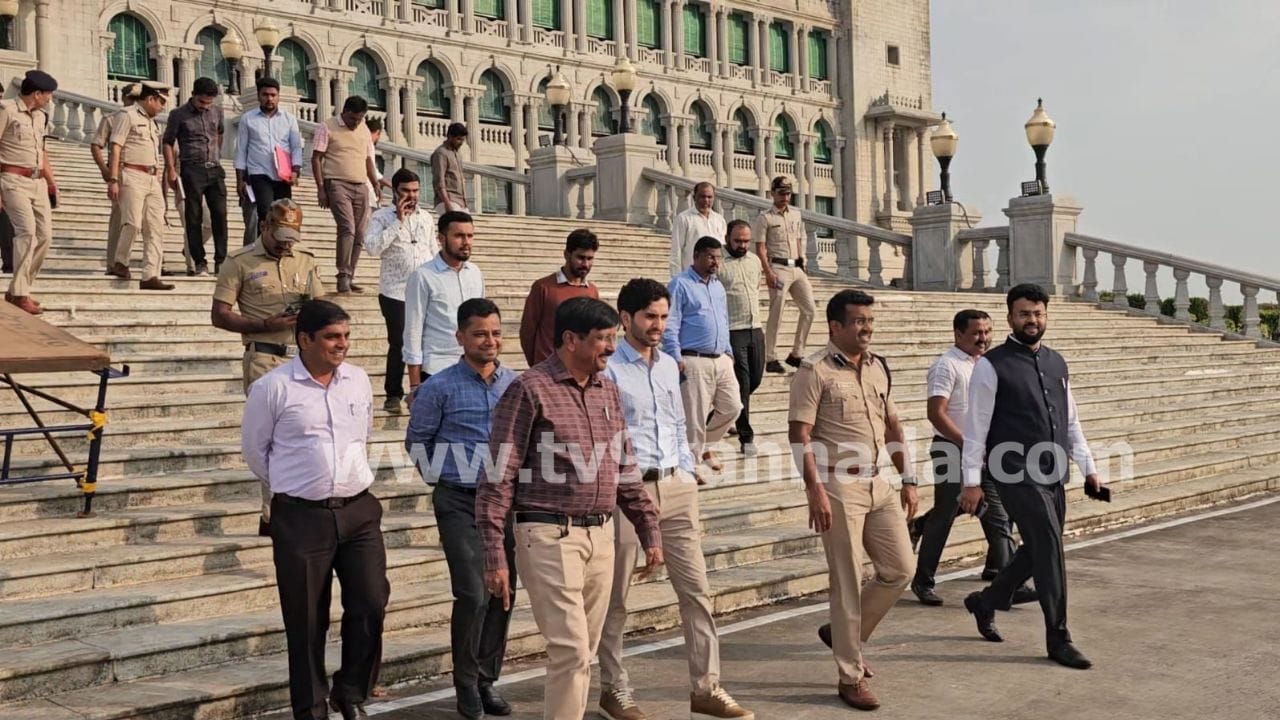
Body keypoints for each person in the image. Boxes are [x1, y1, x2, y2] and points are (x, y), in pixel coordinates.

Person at [477, 297, 663, 720]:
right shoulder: (529, 390)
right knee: (572, 649)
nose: (611, 348)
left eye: (613, 337)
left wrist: (648, 527)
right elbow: (497, 476)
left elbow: (625, 464)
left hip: (600, 536)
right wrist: (493, 553)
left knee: (584, 653)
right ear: (569, 340)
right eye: (602, 339)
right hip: (547, 534)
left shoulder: (607, 389)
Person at [598, 278, 753, 720]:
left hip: (678, 487)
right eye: (650, 316)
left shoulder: (669, 364)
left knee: (697, 592)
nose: (658, 325)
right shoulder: (608, 369)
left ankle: (706, 688)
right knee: (616, 598)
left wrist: (687, 466)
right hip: (629, 493)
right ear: (625, 318)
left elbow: (675, 421)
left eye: (664, 317)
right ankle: (614, 689)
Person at [241, 299, 388, 720]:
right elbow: (255, 451)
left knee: (372, 601)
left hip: (359, 511)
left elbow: (366, 432)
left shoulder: (358, 380)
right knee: (306, 617)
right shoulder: (273, 388)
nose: (341, 345)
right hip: (301, 516)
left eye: (345, 336)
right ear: (304, 339)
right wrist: (298, 483)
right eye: (331, 337)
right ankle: (309, 706)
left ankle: (351, 691)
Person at [959, 283, 1106, 670]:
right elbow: (975, 428)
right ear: (1010, 317)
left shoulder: (1057, 362)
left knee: (1039, 547)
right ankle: (1059, 637)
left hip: (1053, 469)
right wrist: (971, 481)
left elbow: (1071, 421)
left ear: (1046, 316)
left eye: (1038, 313)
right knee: (1051, 548)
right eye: (1024, 313)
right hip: (1013, 472)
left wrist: (1089, 467)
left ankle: (986, 601)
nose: (1032, 320)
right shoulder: (992, 366)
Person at [788, 289, 918, 712]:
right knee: (845, 580)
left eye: (869, 321)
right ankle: (850, 675)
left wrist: (909, 479)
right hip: (839, 487)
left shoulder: (879, 367)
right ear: (835, 326)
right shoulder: (815, 371)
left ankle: (843, 634)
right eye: (859, 321)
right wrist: (815, 491)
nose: (866, 329)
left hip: (880, 483)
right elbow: (799, 437)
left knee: (900, 569)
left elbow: (894, 425)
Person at [405, 298, 517, 719]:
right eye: (479, 334)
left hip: (505, 503)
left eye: (495, 333)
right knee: (472, 592)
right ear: (460, 337)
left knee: (503, 592)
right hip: (458, 499)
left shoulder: (515, 384)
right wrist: (442, 478)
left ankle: (488, 679)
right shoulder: (439, 387)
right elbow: (417, 442)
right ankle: (465, 682)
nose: (490, 341)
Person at [212, 199, 325, 536]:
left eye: (292, 236)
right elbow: (219, 314)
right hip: (264, 356)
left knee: (307, 434)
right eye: (280, 235)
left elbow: (320, 304)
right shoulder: (239, 262)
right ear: (264, 226)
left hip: (303, 357)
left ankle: (298, 507)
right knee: (276, 438)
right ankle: (273, 514)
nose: (286, 242)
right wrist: (264, 324)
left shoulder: (305, 260)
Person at [909, 310, 1034, 607]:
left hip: (985, 451)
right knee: (946, 514)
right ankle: (923, 580)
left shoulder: (988, 366)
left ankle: (1008, 580)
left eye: (988, 331)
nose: (984, 338)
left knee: (998, 515)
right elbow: (936, 413)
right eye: (977, 332)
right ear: (958, 334)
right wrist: (967, 444)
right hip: (951, 449)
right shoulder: (947, 365)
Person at [663, 236, 741, 475]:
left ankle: (705, 447)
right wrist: (674, 356)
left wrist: (727, 350)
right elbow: (670, 322)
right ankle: (692, 464)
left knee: (732, 407)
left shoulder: (718, 286)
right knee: (694, 416)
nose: (715, 262)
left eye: (718, 257)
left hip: (721, 359)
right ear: (696, 256)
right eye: (710, 256)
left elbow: (723, 320)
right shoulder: (680, 284)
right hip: (692, 358)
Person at [364, 168, 436, 414]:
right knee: (399, 342)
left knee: (426, 340)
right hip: (395, 291)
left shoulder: (426, 217)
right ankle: (393, 394)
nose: (411, 195)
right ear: (394, 191)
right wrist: (398, 220)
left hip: (425, 290)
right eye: (406, 191)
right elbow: (372, 248)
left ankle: (427, 391)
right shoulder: (382, 217)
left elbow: (432, 250)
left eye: (415, 190)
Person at [403, 211, 483, 394]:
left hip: (473, 369)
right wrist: (415, 385)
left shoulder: (475, 273)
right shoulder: (423, 276)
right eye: (459, 236)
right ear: (441, 238)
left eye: (470, 236)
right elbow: (413, 332)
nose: (466, 242)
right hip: (437, 371)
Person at [0, 69, 59, 316]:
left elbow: (42, 151)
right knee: (27, 232)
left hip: (37, 182)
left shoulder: (41, 117)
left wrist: (51, 182)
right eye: (48, 95)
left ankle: (19, 288)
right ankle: (21, 293)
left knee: (45, 236)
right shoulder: (6, 110)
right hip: (12, 179)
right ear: (37, 94)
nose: (50, 99)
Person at [106, 81, 173, 290]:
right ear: (150, 99)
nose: (162, 107)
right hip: (131, 173)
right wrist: (113, 179)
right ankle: (121, 261)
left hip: (151, 177)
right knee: (132, 222)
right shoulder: (127, 115)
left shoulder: (153, 123)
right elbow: (115, 147)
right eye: (160, 102)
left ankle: (150, 274)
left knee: (155, 227)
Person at [311, 96, 381, 294]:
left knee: (360, 233)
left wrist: (374, 182)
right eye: (352, 119)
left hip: (360, 185)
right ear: (345, 112)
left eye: (359, 119)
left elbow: (368, 158)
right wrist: (320, 188)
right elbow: (317, 158)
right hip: (336, 183)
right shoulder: (327, 127)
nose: (355, 123)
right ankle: (342, 274)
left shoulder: (364, 129)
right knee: (347, 228)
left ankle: (350, 274)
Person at [162, 76, 227, 276]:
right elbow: (168, 142)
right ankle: (199, 262)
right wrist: (171, 168)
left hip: (214, 169)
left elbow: (220, 133)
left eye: (209, 103)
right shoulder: (178, 114)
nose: (205, 107)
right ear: (193, 96)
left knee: (220, 215)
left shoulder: (217, 111)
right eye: (202, 102)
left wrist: (216, 154)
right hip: (191, 169)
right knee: (193, 217)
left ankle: (221, 261)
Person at [753, 176, 815, 374]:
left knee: (809, 310)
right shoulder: (765, 218)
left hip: (796, 267)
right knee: (776, 313)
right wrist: (768, 272)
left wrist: (803, 260)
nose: (785, 197)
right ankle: (770, 357)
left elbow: (799, 239)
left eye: (788, 193)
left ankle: (797, 353)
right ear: (773, 193)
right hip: (778, 268)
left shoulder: (796, 215)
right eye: (781, 193)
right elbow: (760, 249)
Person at [717, 220, 764, 455]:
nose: (743, 245)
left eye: (746, 241)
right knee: (743, 382)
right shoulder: (719, 263)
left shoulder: (755, 261)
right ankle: (746, 437)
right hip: (732, 330)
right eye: (738, 241)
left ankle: (724, 409)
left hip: (755, 327)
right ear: (727, 238)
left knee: (756, 379)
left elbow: (756, 287)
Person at [519, 229, 599, 366]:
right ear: (567, 255)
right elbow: (528, 331)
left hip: (580, 370)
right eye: (580, 258)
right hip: (547, 370)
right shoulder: (543, 287)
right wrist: (536, 365)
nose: (585, 264)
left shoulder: (592, 291)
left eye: (590, 258)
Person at [235, 76, 303, 226]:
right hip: (259, 173)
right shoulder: (248, 119)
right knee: (265, 214)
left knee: (283, 215)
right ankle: (263, 248)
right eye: (265, 95)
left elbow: (296, 147)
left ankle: (278, 247)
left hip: (283, 176)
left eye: (273, 95)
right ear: (259, 96)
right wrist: (239, 180)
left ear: (278, 97)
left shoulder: (289, 119)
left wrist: (295, 170)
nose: (269, 99)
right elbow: (241, 150)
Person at [91, 81, 139, 273]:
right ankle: (113, 262)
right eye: (132, 98)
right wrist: (105, 169)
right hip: (120, 173)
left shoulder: (145, 119)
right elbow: (96, 144)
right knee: (120, 219)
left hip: (141, 175)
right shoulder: (112, 119)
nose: (135, 102)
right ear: (124, 98)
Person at [669, 182, 727, 279]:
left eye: (709, 197)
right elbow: (676, 251)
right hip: (692, 277)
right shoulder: (684, 218)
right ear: (694, 197)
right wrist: (676, 278)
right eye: (702, 196)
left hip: (715, 278)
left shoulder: (719, 220)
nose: (706, 200)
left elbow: (723, 250)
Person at [431, 122, 469, 215]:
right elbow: (439, 181)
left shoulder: (457, 154)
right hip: (448, 201)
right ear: (450, 137)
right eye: (458, 139)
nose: (461, 142)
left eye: (463, 140)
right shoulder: (441, 153)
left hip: (461, 202)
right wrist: (447, 204)